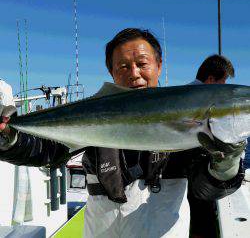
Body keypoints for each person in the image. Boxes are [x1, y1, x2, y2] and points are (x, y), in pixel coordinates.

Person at [0, 28, 246, 238]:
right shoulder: (94, 111)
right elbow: (46, 150)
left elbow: (205, 191)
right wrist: (9, 138)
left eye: (142, 64)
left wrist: (225, 167)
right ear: (112, 73)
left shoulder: (192, 126)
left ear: (159, 66)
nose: (134, 73)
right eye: (124, 66)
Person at [188, 54, 236, 238]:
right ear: (210, 80)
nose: (224, 89)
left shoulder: (183, 94)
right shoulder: (207, 103)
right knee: (202, 223)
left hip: (175, 185)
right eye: (223, 82)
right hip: (199, 181)